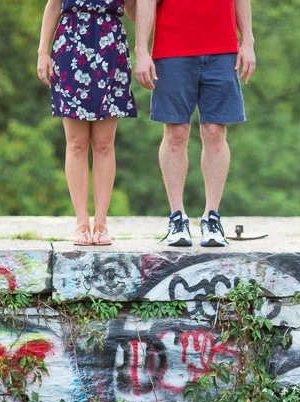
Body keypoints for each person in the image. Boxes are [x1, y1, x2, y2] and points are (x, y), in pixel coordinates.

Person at [134, 0, 255, 247]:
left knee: (215, 133)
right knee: (176, 134)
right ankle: (177, 219)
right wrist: (141, 52)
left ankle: (212, 219)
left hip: (222, 49)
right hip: (172, 49)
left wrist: (248, 42)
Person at [38, 0, 138, 246]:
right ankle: (81, 222)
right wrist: (42, 52)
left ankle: (101, 222)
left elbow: (134, 13)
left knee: (104, 143)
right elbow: (53, 6)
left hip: (111, 45)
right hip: (71, 42)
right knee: (76, 142)